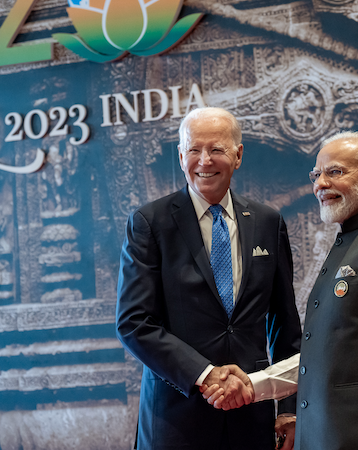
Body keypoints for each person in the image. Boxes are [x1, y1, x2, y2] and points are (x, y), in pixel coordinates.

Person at [202, 131, 358, 450]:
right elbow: (323, 357)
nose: (320, 184)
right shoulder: (348, 240)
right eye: (316, 174)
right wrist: (252, 385)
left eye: (335, 172)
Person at [116, 107, 302, 450]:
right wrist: (205, 375)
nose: (204, 161)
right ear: (181, 155)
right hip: (175, 419)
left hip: (253, 417)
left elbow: (285, 325)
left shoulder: (267, 222)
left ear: (238, 155)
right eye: (194, 150)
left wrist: (289, 409)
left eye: (216, 149)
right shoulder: (149, 223)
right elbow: (134, 323)